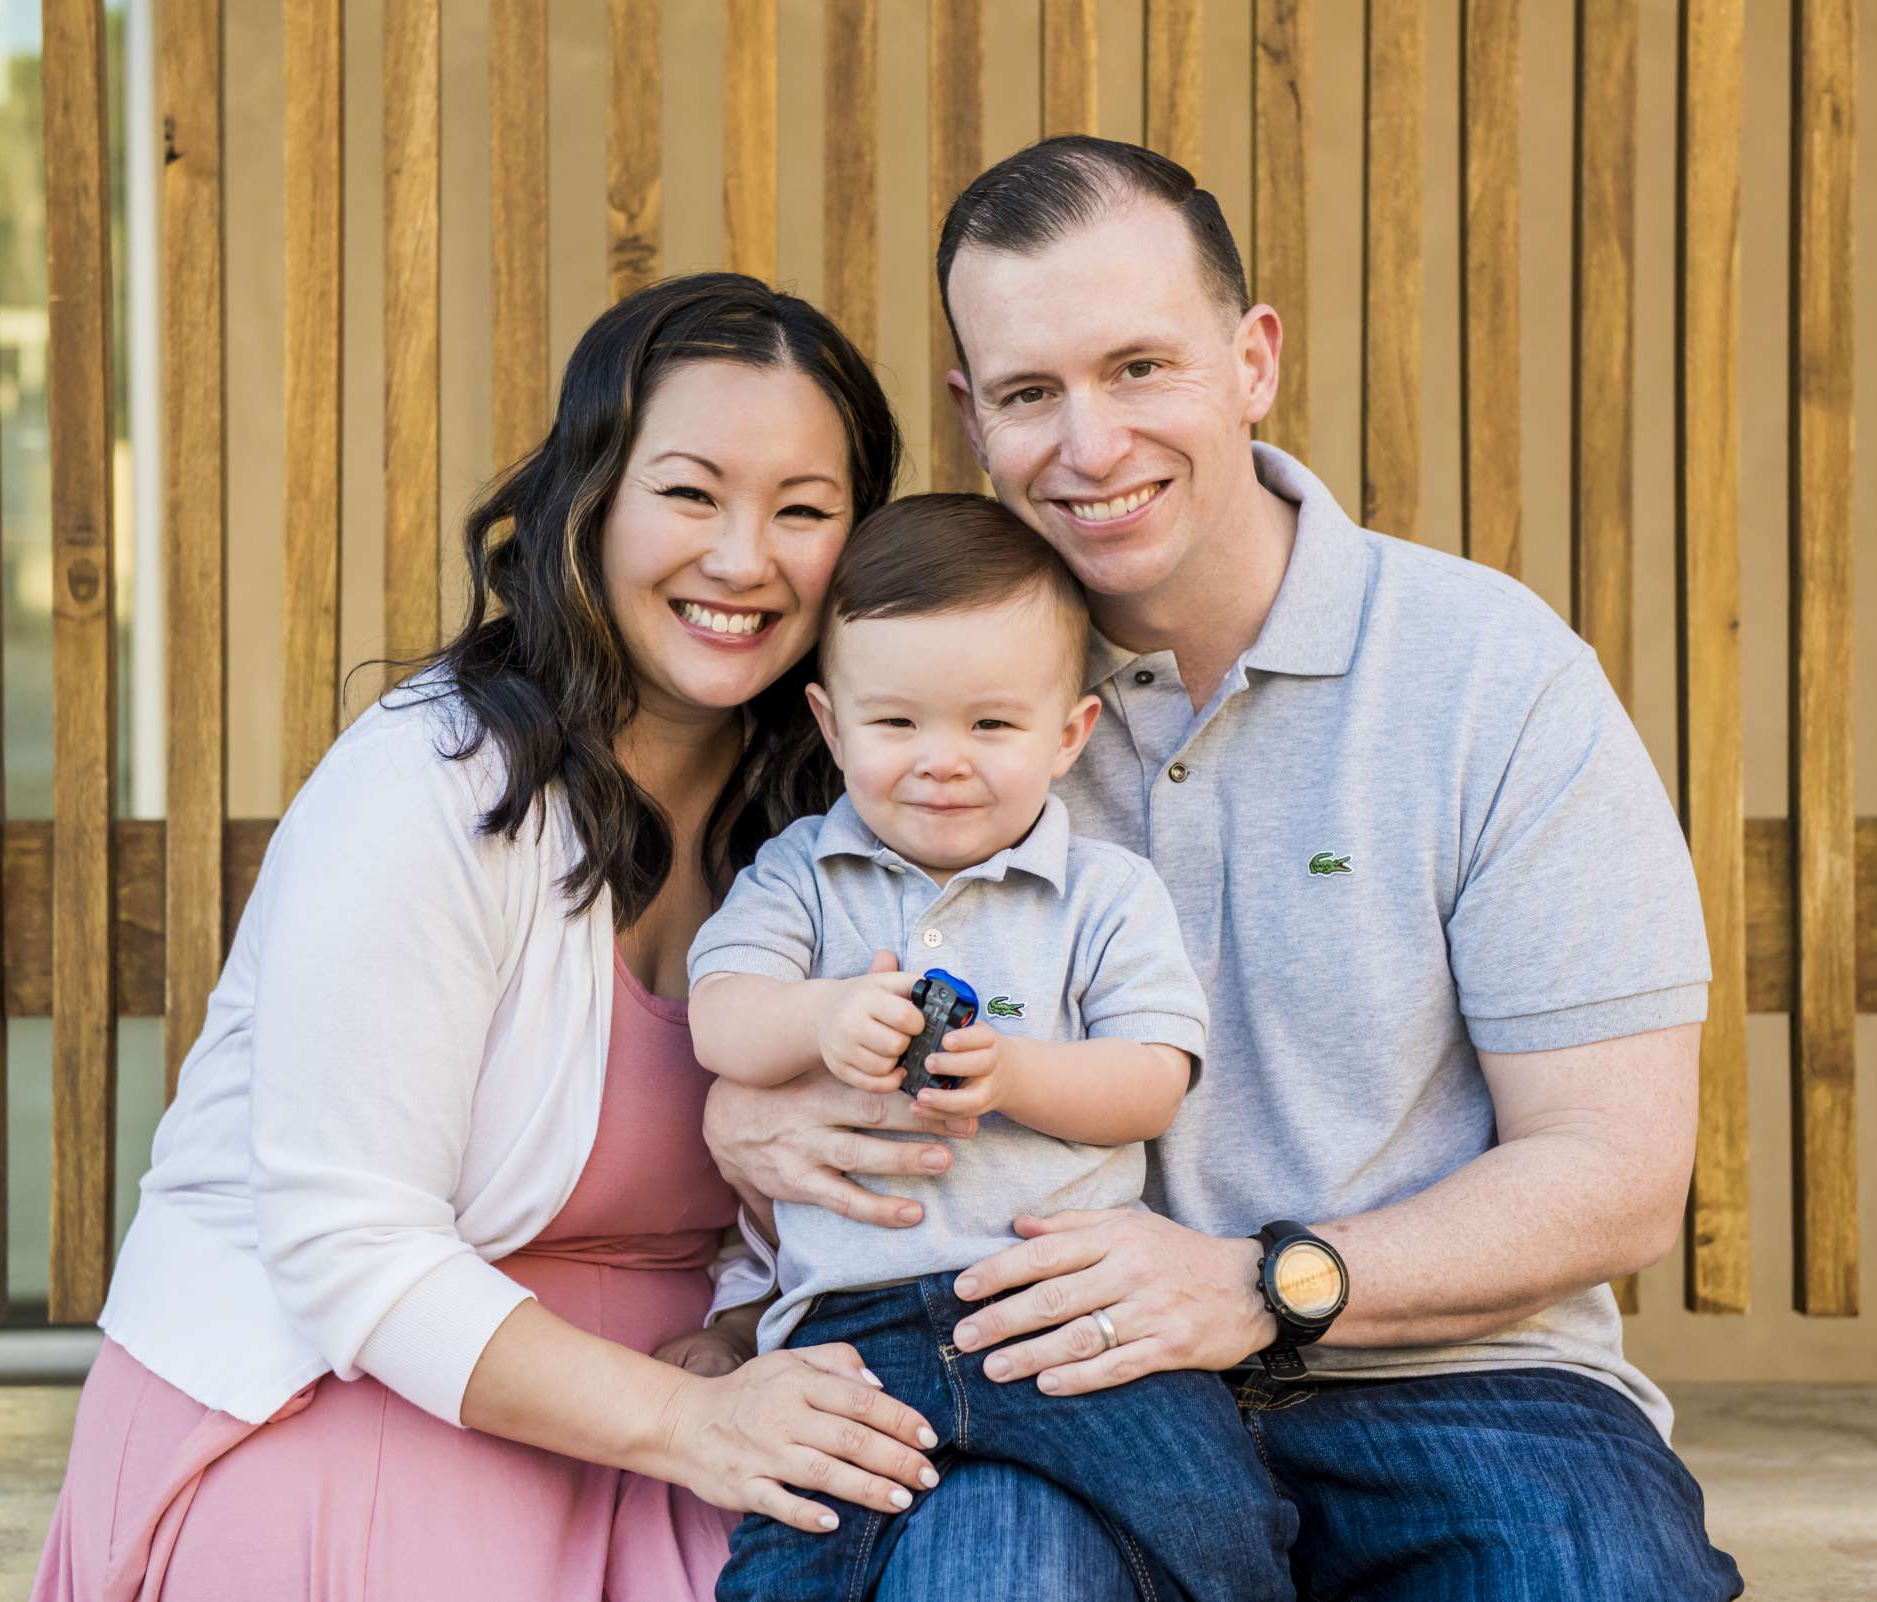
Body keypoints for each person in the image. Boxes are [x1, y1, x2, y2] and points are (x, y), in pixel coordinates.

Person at [700, 138, 1746, 1600]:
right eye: (1028, 393)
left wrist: (1264, 1283)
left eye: (1140, 367)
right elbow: (754, 1002)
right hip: (1037, 1367)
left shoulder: (1488, 672)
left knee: (1582, 1577)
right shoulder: (913, 697)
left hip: (1446, 1367)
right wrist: (748, 1122)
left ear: (1251, 359)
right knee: (989, 1580)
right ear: (973, 421)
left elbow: (1619, 1174)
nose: (1090, 443)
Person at [30, 274, 955, 1602]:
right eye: (691, 494)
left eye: (802, 511)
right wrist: (694, 1424)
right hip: (342, 1379)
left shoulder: (841, 809)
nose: (745, 558)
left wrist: (745, 1333)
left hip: (686, 1411)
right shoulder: (429, 781)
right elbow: (350, 1245)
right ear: (590, 500)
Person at [686, 494, 1298, 1602]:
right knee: (797, 1545)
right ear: (831, 726)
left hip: (1063, 1301)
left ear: (1070, 734)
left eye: (991, 725)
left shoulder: (1105, 895)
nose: (941, 763)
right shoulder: (800, 876)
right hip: (852, 1322)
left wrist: (1019, 1076)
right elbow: (720, 1013)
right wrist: (821, 1017)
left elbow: (1153, 1077)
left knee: (1216, 1513)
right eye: (897, 724)